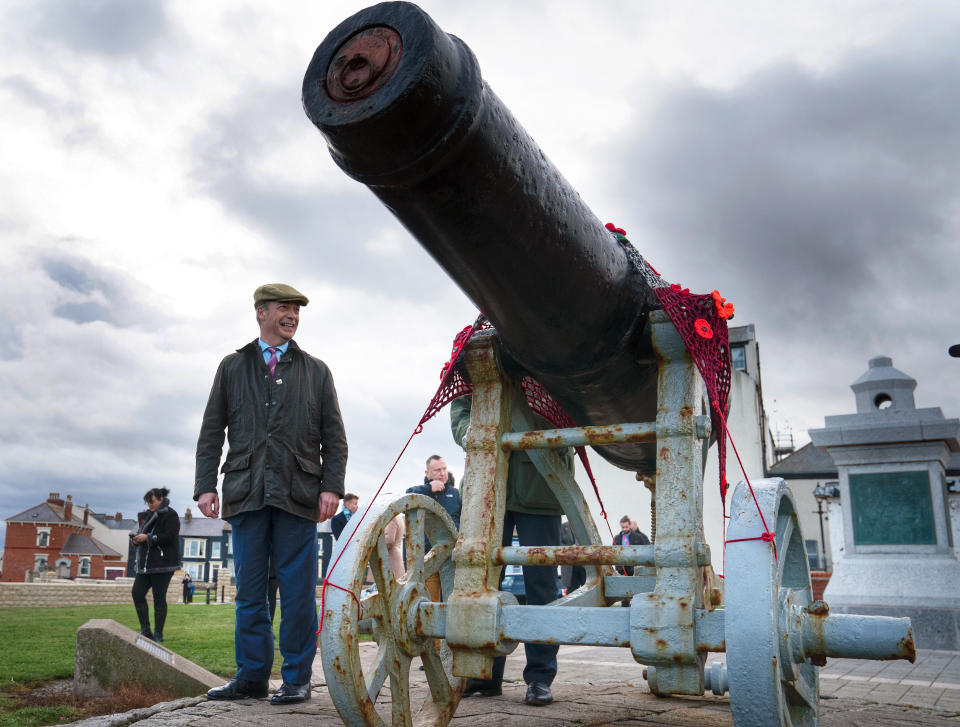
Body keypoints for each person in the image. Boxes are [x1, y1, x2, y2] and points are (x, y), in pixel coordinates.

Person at [195, 283, 348, 705]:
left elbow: (335, 439)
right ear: (261, 312)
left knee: (298, 592)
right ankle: (251, 678)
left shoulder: (316, 371)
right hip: (245, 493)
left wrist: (332, 487)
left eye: (297, 310)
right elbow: (211, 432)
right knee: (249, 592)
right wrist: (206, 484)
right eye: (284, 308)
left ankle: (297, 678)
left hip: (298, 495)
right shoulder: (232, 366)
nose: (292, 316)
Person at [452, 397, 567, 707]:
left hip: (542, 481)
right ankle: (484, 673)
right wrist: (470, 434)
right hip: (487, 483)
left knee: (542, 584)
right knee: (481, 583)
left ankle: (540, 676)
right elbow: (463, 406)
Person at [406, 455, 462, 662]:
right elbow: (408, 496)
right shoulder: (421, 493)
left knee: (450, 605)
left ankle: (450, 653)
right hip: (428, 561)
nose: (442, 473)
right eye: (437, 470)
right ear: (427, 474)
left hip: (450, 560)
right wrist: (430, 489)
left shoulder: (455, 494)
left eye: (444, 469)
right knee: (430, 606)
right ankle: (433, 656)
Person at [130, 487, 181, 643]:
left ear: (160, 499)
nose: (149, 504)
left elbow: (169, 537)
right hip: (145, 564)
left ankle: (158, 634)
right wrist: (137, 539)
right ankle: (146, 630)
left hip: (163, 564)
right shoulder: (146, 516)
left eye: (151, 501)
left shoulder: (171, 515)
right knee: (137, 593)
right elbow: (143, 534)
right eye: (147, 502)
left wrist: (149, 538)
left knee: (159, 599)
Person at [558, 519, 586, 594]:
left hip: (584, 564)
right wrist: (570, 549)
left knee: (588, 588)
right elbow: (558, 544)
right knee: (571, 591)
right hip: (570, 566)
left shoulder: (585, 526)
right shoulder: (563, 527)